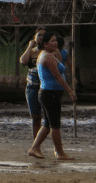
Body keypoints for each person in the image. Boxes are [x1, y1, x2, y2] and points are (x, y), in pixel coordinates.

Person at [27, 31, 77, 161]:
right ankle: (59, 152)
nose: (55, 43)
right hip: (49, 93)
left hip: (50, 93)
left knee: (48, 125)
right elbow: (57, 76)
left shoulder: (49, 54)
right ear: (44, 44)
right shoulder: (47, 57)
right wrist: (70, 91)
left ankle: (35, 148)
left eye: (56, 40)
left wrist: (57, 55)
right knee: (55, 125)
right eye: (52, 41)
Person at [19, 28, 47, 140]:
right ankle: (36, 143)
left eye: (44, 35)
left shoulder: (49, 52)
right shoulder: (31, 51)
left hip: (46, 87)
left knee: (48, 116)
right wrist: (30, 46)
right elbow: (23, 61)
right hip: (32, 87)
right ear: (35, 37)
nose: (41, 37)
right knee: (35, 116)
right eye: (39, 35)